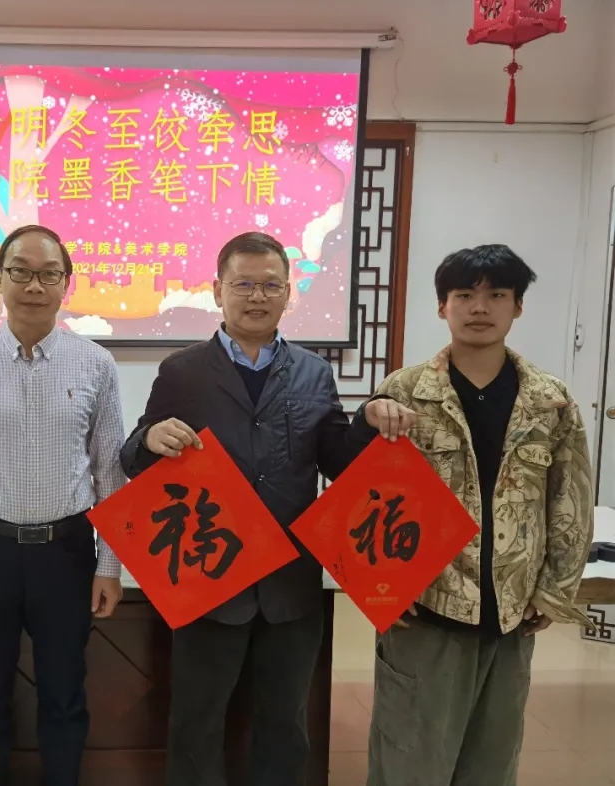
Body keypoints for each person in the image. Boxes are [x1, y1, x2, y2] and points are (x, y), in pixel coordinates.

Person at [120, 232, 415, 786]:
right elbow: (135, 455)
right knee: (196, 723)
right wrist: (150, 438)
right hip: (210, 576)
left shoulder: (313, 372)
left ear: (288, 293)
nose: (257, 296)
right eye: (244, 284)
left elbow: (336, 459)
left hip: (290, 580)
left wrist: (368, 420)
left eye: (270, 286)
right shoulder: (182, 371)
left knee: (284, 722)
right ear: (218, 291)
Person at [363, 244, 594, 786]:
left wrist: (554, 590)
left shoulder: (551, 401)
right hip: (426, 606)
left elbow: (571, 499)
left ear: (518, 306)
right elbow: (368, 500)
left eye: (497, 295)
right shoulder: (404, 393)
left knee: (491, 762)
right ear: (442, 306)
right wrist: (381, 588)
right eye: (464, 294)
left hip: (512, 613)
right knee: (409, 762)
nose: (480, 307)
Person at [0, 224, 127, 786]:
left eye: (48, 274)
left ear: (66, 283)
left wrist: (109, 565)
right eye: (21, 271)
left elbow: (110, 472)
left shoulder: (96, 363)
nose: (34, 285)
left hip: (66, 553)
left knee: (65, 693)